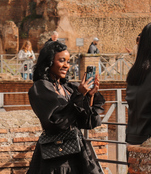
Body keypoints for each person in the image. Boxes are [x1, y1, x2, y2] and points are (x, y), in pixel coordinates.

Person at [27, 41, 105, 174]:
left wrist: (89, 96)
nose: (66, 66)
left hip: (77, 151)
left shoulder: (69, 88)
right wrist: (79, 95)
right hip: (54, 155)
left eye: (68, 61)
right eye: (62, 60)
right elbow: (55, 122)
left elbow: (87, 122)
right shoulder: (40, 88)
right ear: (49, 62)